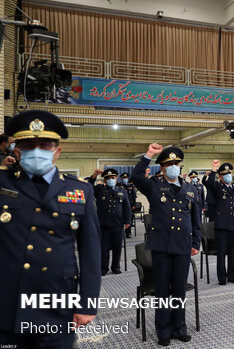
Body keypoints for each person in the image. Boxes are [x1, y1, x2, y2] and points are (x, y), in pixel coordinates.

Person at [0, 110, 101, 347]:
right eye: (28, 145)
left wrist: (87, 304)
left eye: (45, 145)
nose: (36, 151)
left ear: (57, 151)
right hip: (6, 299)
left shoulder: (80, 191)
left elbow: (91, 252)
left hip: (56, 300)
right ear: (16, 151)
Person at [131, 144, 201, 346]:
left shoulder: (190, 189)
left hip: (182, 246)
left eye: (176, 163)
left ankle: (179, 328)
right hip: (161, 247)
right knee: (163, 291)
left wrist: (196, 242)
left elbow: (196, 220)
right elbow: (136, 177)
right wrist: (148, 155)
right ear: (161, 168)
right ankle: (163, 331)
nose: (173, 167)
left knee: (178, 290)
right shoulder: (154, 185)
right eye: (169, 164)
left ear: (180, 166)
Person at [204, 161, 234, 285]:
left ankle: (232, 275)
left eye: (229, 174)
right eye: (224, 175)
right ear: (221, 178)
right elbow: (210, 183)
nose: (228, 176)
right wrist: (213, 169)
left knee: (233, 252)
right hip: (221, 226)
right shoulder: (218, 188)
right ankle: (222, 278)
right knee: (222, 253)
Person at [88, 168, 131, 275]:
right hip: (104, 225)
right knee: (104, 248)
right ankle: (104, 268)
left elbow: (127, 207)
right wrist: (94, 176)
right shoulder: (99, 189)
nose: (111, 179)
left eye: (113, 177)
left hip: (118, 225)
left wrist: (127, 221)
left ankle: (116, 267)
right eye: (108, 178)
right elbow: (88, 187)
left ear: (116, 179)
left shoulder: (122, 191)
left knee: (117, 247)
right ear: (105, 180)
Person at [119, 172, 137, 238]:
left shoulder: (131, 186)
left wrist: (134, 205)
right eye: (123, 178)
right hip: (122, 205)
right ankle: (122, 233)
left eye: (126, 178)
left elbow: (134, 196)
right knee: (122, 219)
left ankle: (128, 233)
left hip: (130, 205)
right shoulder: (120, 186)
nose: (125, 179)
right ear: (121, 179)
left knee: (129, 219)